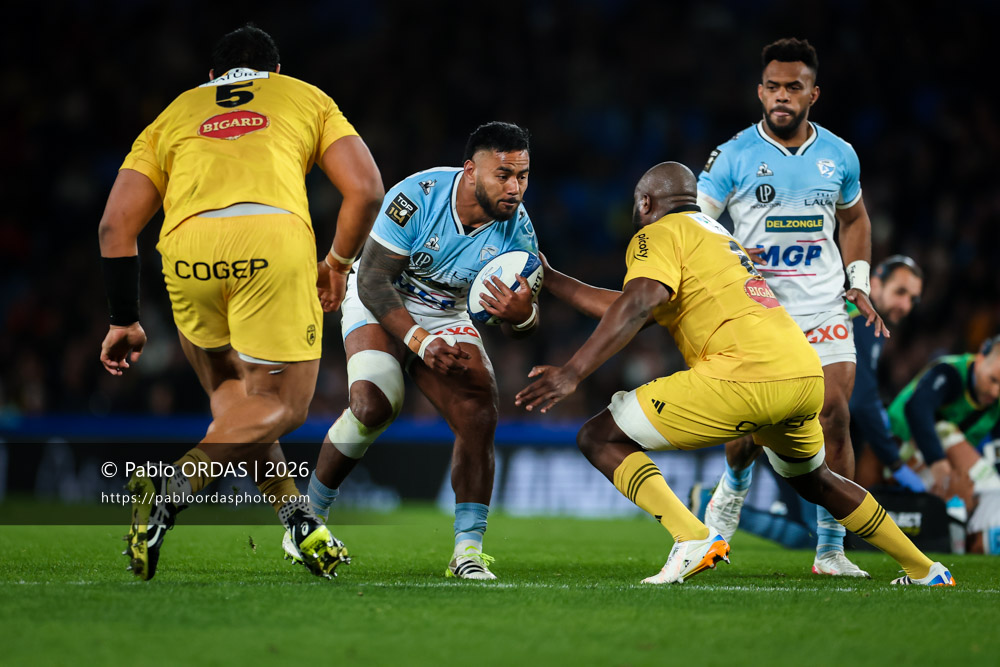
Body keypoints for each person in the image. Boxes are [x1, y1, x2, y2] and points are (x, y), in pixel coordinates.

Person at [516, 161, 953, 586]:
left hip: (744, 373)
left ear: (646, 203)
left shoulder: (658, 233)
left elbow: (639, 302)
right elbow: (635, 306)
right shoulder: (717, 235)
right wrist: (551, 279)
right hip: (802, 374)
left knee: (597, 437)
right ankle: (924, 568)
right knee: (817, 480)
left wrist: (573, 372)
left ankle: (693, 537)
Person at [97, 24, 384, 580]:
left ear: (212, 78)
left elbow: (115, 225)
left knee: (236, 401)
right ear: (274, 72)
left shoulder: (178, 110)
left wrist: (124, 319)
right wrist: (338, 265)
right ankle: (169, 487)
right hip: (270, 242)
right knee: (286, 405)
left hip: (185, 250)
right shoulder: (303, 95)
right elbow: (366, 188)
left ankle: (298, 518)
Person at [296, 121, 540, 580]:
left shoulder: (518, 231)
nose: (515, 188)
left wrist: (522, 315)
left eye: (523, 176)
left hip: (447, 313)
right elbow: (370, 279)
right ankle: (308, 518)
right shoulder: (418, 197)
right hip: (383, 298)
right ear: (471, 171)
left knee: (479, 411)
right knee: (372, 405)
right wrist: (420, 342)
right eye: (503, 175)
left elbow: (519, 327)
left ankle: (467, 551)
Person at [696, 37, 886, 577]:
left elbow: (855, 220)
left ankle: (830, 551)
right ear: (761, 91)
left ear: (813, 94)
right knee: (748, 435)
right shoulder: (733, 156)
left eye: (794, 88)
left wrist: (859, 282)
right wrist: (731, 251)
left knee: (835, 418)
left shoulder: (839, 155)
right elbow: (694, 224)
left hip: (824, 306)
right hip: (758, 310)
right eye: (774, 87)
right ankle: (733, 487)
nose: (783, 96)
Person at [887, 335, 1000, 503]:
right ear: (981, 356)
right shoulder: (950, 372)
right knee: (944, 430)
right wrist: (937, 461)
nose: (995, 392)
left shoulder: (995, 401)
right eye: (993, 380)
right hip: (894, 449)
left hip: (940, 466)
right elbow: (918, 407)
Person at [850, 256, 924, 490]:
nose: (906, 306)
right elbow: (860, 400)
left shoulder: (867, 321)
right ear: (875, 283)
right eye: (900, 292)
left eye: (913, 299)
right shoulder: (859, 318)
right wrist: (895, 463)